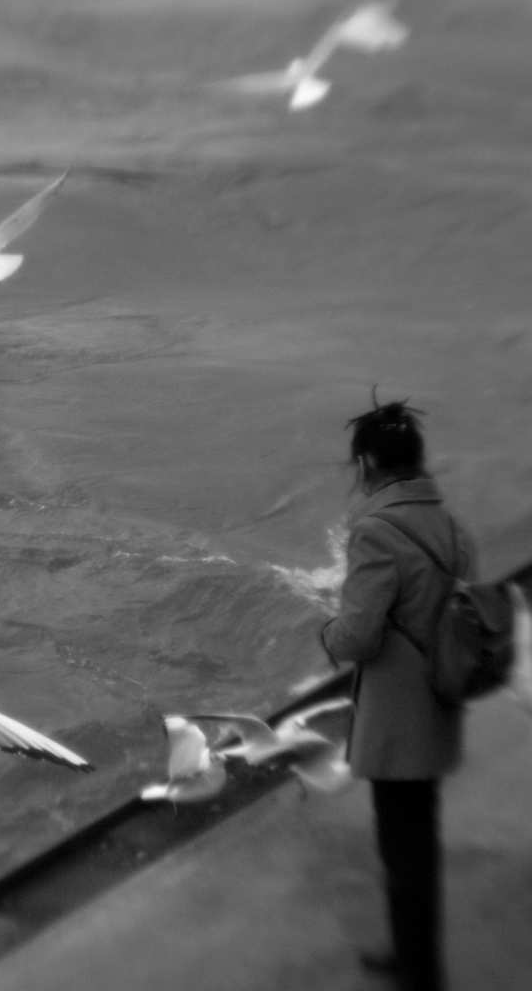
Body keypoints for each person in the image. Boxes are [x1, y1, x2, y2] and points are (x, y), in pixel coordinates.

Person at [320, 394, 474, 991]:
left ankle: (417, 969)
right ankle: (418, 957)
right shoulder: (448, 523)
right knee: (419, 838)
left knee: (401, 844)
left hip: (398, 714)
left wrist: (325, 630)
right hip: (442, 698)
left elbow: (357, 635)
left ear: (368, 466)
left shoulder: (376, 531)